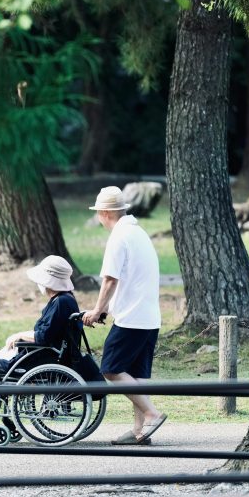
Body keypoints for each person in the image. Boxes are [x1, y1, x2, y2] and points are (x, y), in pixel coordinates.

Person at [0, 255, 81, 429]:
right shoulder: (66, 300)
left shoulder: (60, 303)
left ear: (48, 282)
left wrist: (20, 336)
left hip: (43, 358)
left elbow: (44, 336)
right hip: (50, 355)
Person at [82, 186, 167, 445]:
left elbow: (110, 280)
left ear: (105, 213)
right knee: (136, 374)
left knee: (111, 369)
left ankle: (152, 414)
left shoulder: (119, 237)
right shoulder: (138, 233)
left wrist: (97, 310)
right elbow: (131, 280)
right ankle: (140, 431)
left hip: (132, 319)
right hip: (149, 316)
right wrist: (107, 308)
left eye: (98, 212)